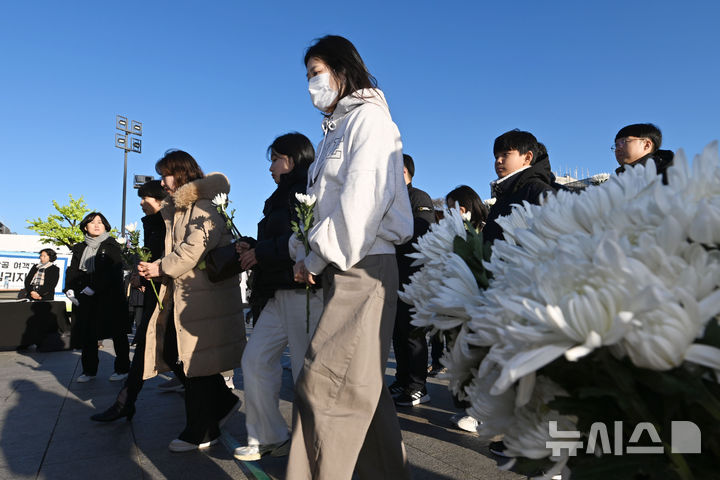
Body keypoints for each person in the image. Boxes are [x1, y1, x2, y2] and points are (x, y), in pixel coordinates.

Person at [288, 35, 413, 480]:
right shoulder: (334, 132)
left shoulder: (369, 122)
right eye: (307, 76)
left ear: (343, 70)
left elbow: (360, 205)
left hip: (363, 265)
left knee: (323, 390)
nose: (310, 85)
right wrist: (304, 252)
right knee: (361, 391)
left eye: (315, 73)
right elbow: (321, 207)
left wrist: (316, 256)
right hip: (343, 268)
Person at [137, 150, 245, 453]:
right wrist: (155, 266)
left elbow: (193, 249)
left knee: (193, 362)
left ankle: (202, 429)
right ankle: (222, 404)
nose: (162, 181)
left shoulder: (204, 206)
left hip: (205, 299)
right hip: (187, 297)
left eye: (165, 174)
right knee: (176, 354)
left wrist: (159, 267)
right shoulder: (180, 209)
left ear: (182, 173)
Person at [232, 133, 324, 461]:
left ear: (292, 159)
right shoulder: (280, 195)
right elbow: (277, 239)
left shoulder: (308, 188)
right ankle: (269, 435)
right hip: (276, 291)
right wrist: (251, 245)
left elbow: (306, 236)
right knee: (255, 360)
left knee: (305, 372)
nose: (270, 166)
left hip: (303, 292)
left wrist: (263, 251)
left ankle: (314, 450)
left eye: (275, 159)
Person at [91, 180, 167, 422]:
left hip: (168, 293)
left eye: (146, 199)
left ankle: (220, 400)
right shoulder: (152, 223)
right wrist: (141, 272)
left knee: (168, 348)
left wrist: (156, 269)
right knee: (147, 344)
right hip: (153, 292)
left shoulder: (169, 221)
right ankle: (126, 399)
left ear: (161, 199)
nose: (142, 204)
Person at [390, 153, 435, 407]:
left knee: (413, 333)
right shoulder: (391, 199)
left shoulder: (419, 197)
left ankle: (419, 385)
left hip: (413, 276)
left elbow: (421, 230)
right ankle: (403, 378)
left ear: (404, 170)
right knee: (398, 333)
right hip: (393, 275)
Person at [444, 185, 489, 432]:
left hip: (477, 305)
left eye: (450, 208)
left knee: (477, 361)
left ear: (463, 209)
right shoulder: (459, 234)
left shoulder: (480, 233)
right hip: (459, 305)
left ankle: (479, 414)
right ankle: (468, 409)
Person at [65, 212, 130, 383]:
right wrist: (70, 288)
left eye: (100, 222)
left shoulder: (111, 245)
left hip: (110, 296)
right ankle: (89, 370)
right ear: (85, 226)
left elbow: (113, 271)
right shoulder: (79, 247)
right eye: (92, 222)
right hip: (86, 296)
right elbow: (73, 270)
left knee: (118, 333)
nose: (96, 225)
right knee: (88, 334)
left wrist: (94, 287)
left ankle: (123, 368)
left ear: (106, 226)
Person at [482, 129, 556, 246]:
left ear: (527, 158)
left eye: (505, 154)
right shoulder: (502, 197)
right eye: (496, 157)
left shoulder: (539, 192)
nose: (498, 161)